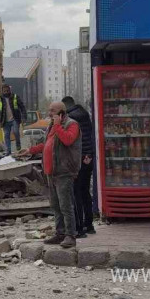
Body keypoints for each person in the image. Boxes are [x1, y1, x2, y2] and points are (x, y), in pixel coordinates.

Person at [16, 102, 81, 248]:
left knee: (66, 205)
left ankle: (70, 235)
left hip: (64, 171)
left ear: (61, 113)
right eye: (49, 110)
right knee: (56, 206)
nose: (49, 113)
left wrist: (58, 125)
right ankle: (60, 234)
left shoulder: (72, 124)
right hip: (51, 172)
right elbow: (46, 144)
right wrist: (30, 150)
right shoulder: (52, 126)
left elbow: (68, 140)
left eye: (53, 111)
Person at [62, 96, 96, 237]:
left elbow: (71, 140)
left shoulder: (71, 119)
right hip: (88, 157)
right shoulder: (84, 114)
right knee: (85, 192)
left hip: (78, 159)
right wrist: (89, 154)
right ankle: (89, 225)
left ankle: (79, 228)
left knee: (76, 194)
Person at [0, 84, 26, 153]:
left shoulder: (15, 97)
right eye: (4, 91)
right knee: (6, 135)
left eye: (7, 91)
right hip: (5, 121)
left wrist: (24, 117)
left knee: (16, 131)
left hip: (15, 119)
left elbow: (22, 107)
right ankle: (8, 151)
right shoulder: (0, 99)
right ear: (2, 91)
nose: (6, 92)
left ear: (10, 90)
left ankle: (18, 145)